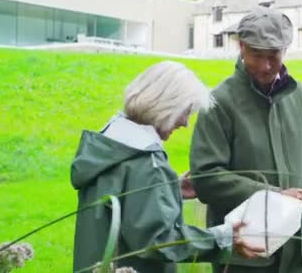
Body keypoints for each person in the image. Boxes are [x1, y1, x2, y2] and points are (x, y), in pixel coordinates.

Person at [70, 61, 263, 273]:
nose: (186, 123)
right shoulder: (145, 163)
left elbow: (124, 207)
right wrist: (222, 237)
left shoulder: (109, 146)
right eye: (186, 112)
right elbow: (160, 242)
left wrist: (169, 190)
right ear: (167, 106)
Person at [189, 7, 302, 273]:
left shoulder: (301, 97)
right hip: (243, 255)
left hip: (298, 253)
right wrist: (277, 196)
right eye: (257, 55)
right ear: (241, 47)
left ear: (285, 50)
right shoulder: (219, 102)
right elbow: (206, 178)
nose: (266, 66)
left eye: (274, 56)